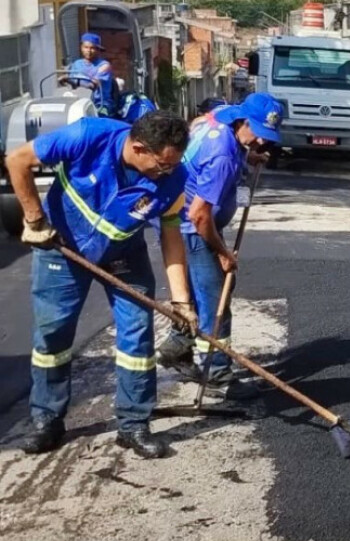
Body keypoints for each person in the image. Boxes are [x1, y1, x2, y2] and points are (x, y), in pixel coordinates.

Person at [5, 111, 198, 459]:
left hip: (124, 254)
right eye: (162, 165)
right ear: (138, 148)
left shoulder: (175, 178)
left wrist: (181, 302)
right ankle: (47, 420)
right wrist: (34, 218)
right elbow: (17, 160)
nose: (167, 172)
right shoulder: (88, 136)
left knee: (137, 335)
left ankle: (134, 424)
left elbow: (172, 237)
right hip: (60, 247)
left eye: (173, 165)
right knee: (53, 335)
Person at [156, 93, 284, 400]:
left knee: (200, 295)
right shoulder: (224, 155)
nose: (263, 143)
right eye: (258, 134)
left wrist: (248, 156)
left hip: (183, 220)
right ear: (242, 121)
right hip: (194, 228)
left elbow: (199, 128)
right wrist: (223, 253)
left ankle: (177, 347)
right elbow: (200, 216)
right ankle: (217, 376)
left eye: (267, 138)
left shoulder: (218, 118)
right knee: (216, 300)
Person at [60, 33, 118, 117]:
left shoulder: (104, 66)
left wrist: (76, 82)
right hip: (80, 102)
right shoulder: (77, 64)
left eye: (92, 48)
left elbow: (92, 85)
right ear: (81, 48)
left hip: (99, 104)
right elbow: (73, 85)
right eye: (86, 47)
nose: (88, 51)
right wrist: (66, 80)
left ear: (98, 49)